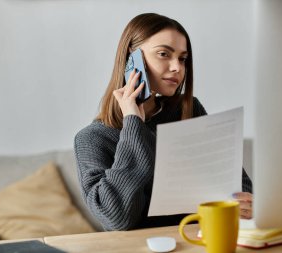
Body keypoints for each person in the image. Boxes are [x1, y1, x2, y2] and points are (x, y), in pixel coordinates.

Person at [74, 13, 253, 231]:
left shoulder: (189, 110)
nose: (177, 67)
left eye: (182, 58)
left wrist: (243, 203)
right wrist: (133, 123)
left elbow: (239, 184)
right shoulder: (92, 139)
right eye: (163, 54)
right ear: (132, 61)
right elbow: (118, 218)